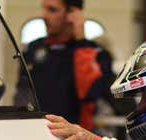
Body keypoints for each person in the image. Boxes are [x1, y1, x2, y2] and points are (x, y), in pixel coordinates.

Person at [15, 0, 113, 132]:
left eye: (52, 10)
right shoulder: (33, 49)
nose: (43, 15)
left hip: (75, 138)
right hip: (36, 132)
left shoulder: (94, 53)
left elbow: (90, 92)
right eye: (43, 9)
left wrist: (81, 41)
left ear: (73, 14)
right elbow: (21, 94)